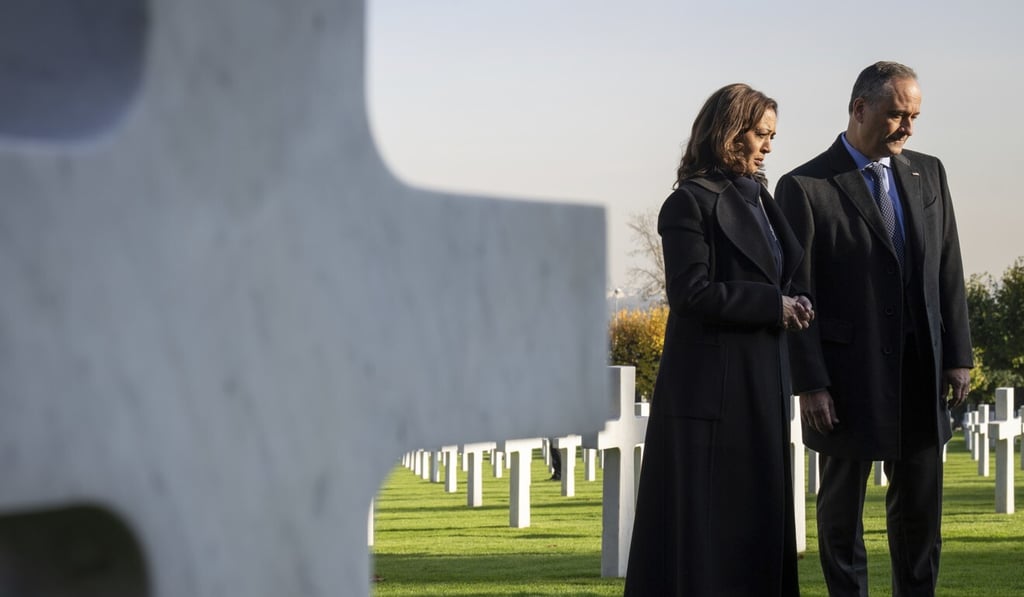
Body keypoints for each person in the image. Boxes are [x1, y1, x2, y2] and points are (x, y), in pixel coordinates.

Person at [774, 61, 973, 597]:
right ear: (859, 109)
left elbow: (948, 265)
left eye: (914, 116)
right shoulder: (805, 186)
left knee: (920, 517)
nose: (908, 127)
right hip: (844, 379)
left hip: (921, 371)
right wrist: (811, 383)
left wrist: (960, 354)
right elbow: (798, 291)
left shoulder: (928, 172)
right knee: (841, 520)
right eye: (896, 115)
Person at [623, 83, 811, 597]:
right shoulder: (688, 203)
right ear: (730, 134)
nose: (769, 146)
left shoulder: (764, 203)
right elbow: (691, 294)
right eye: (761, 134)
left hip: (763, 384)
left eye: (773, 135)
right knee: (710, 535)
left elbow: (780, 276)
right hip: (713, 397)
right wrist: (772, 305)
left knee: (759, 523)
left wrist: (796, 299)